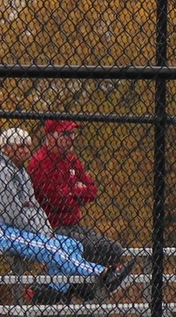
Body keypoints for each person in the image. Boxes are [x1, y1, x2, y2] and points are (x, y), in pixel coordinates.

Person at [0, 126, 107, 303]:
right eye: (20, 146)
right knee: (52, 249)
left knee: (72, 245)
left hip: (21, 229)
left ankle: (48, 294)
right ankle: (99, 273)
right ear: (6, 148)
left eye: (27, 146)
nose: (25, 150)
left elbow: (34, 207)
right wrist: (40, 235)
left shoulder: (21, 172)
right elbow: (11, 214)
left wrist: (46, 233)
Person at [26, 119, 132, 297]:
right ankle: (66, 288)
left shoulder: (72, 161)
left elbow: (91, 191)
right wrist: (76, 190)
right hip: (51, 228)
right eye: (65, 134)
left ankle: (69, 288)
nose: (71, 138)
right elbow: (56, 201)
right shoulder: (39, 163)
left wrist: (69, 192)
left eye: (72, 133)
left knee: (114, 249)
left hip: (73, 225)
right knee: (92, 251)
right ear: (51, 136)